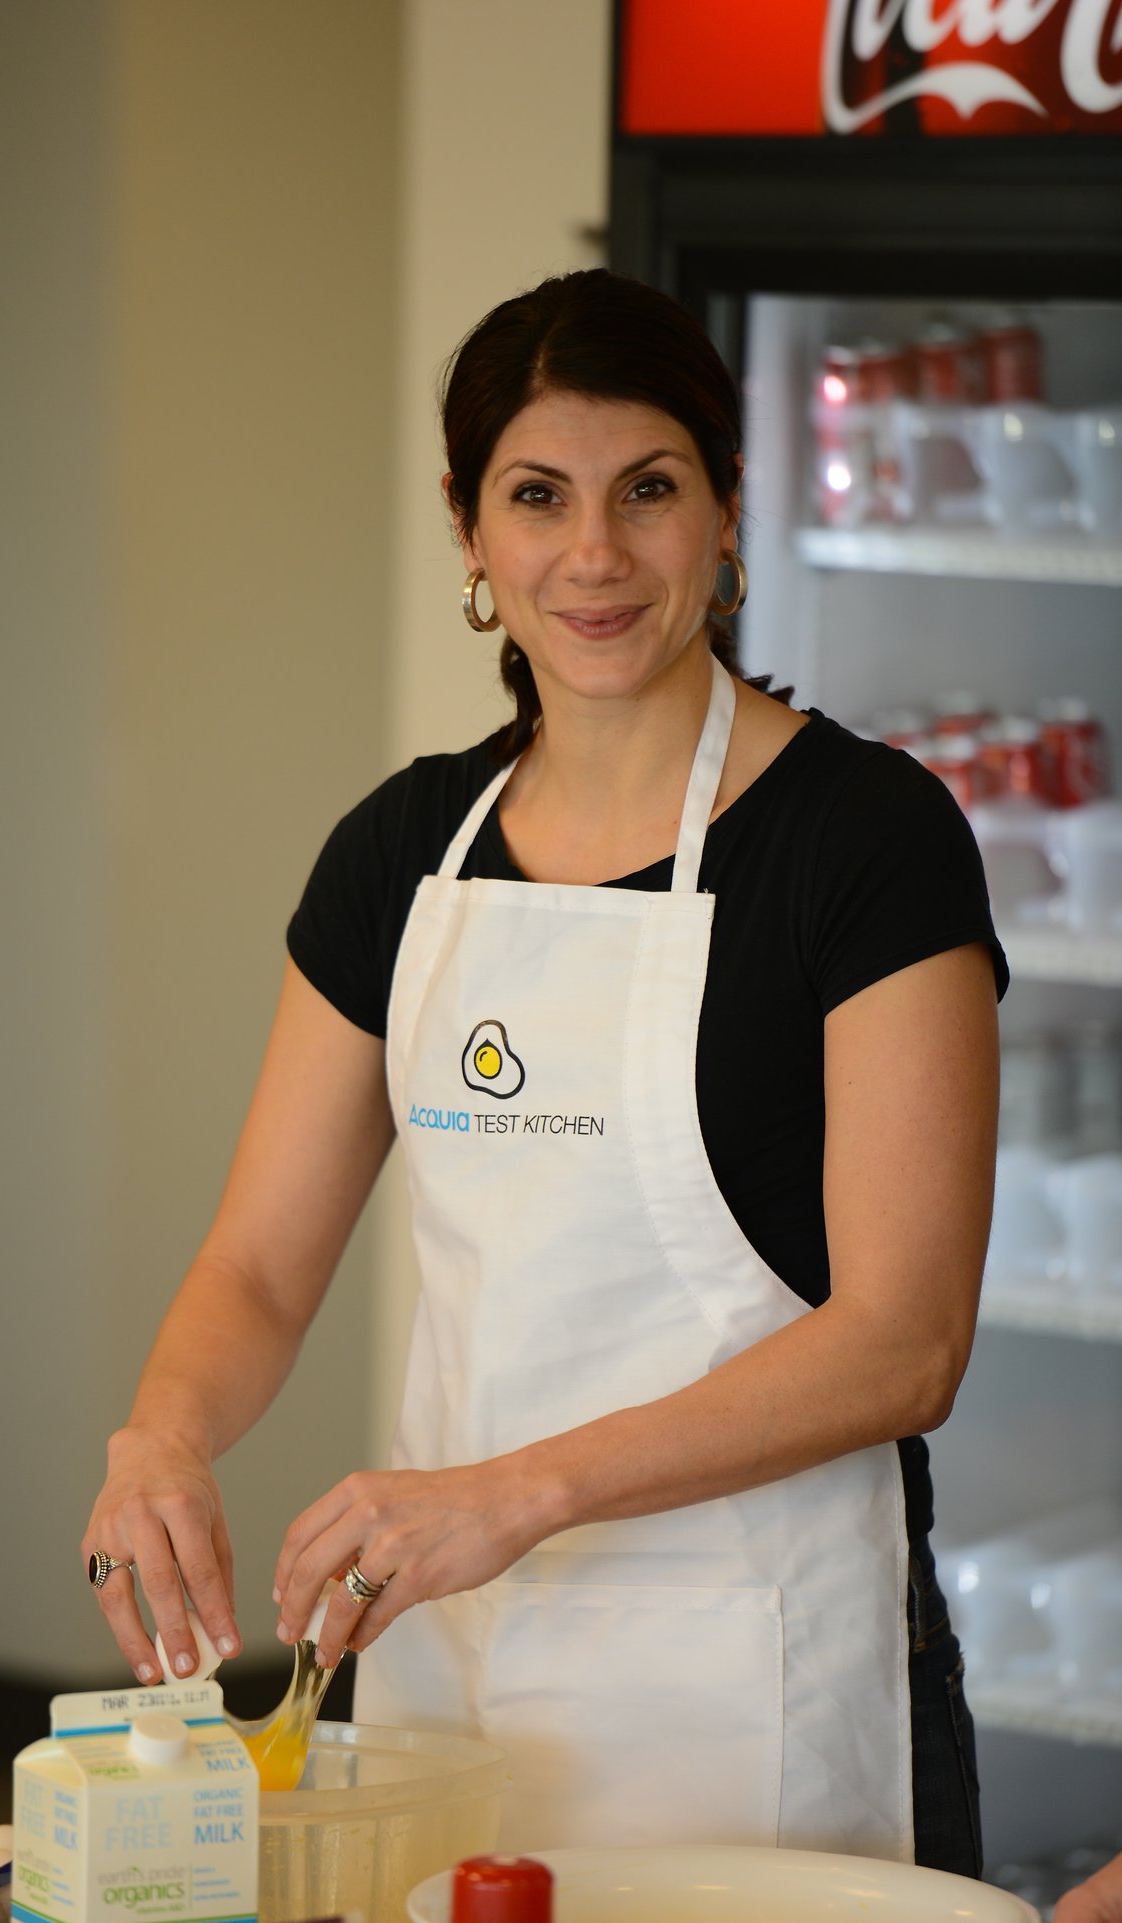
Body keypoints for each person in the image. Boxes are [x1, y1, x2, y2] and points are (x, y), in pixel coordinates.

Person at [83, 268, 1004, 1871]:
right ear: (471, 532)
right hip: (454, 1672)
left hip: (771, 1676)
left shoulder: (867, 844)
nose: (593, 555)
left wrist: (519, 1493)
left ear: (729, 508)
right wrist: (162, 1434)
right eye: (537, 497)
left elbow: (904, 1343)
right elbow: (255, 1268)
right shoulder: (401, 855)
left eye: (649, 489)